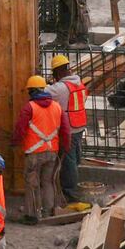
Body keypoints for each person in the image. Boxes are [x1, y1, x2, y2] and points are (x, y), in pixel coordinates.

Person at [11, 75, 70, 224]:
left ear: (30, 91)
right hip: (52, 152)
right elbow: (65, 130)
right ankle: (48, 212)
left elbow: (20, 129)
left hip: (34, 153)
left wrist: (14, 143)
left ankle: (32, 216)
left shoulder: (29, 107)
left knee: (32, 184)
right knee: (48, 182)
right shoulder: (57, 106)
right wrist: (65, 147)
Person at [46, 54, 92, 211]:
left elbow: (41, 93)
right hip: (79, 126)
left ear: (57, 72)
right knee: (75, 159)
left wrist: (40, 83)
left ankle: (71, 197)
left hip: (69, 130)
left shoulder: (60, 88)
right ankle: (71, 192)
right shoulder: (78, 83)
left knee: (68, 163)